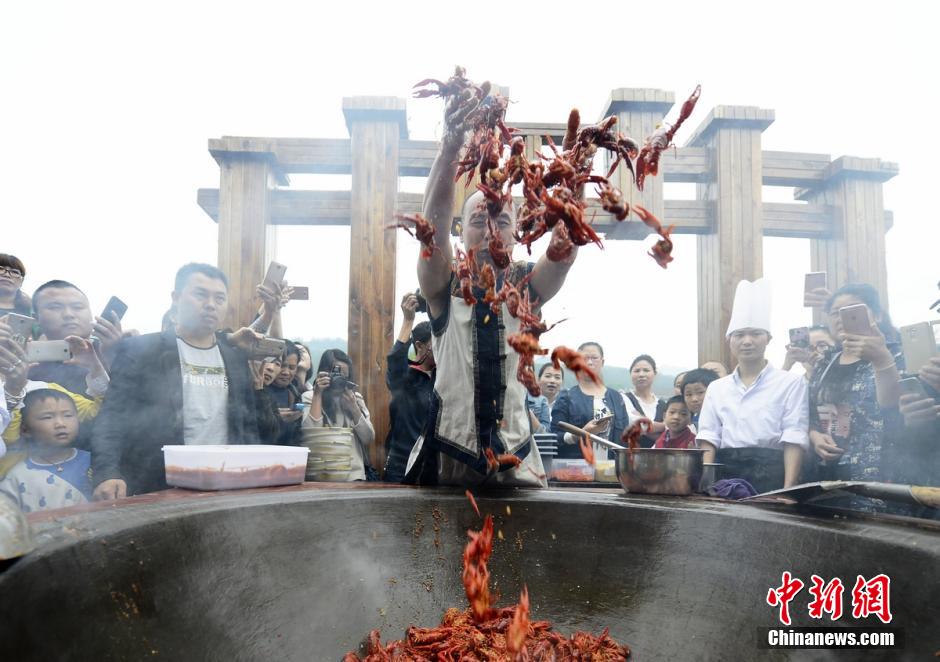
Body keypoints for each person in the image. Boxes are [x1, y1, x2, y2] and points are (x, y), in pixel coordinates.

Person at [404, 96, 582, 488]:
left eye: (501, 222)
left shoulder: (527, 285)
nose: (489, 231)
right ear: (460, 231)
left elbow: (563, 253)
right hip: (449, 454)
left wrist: (575, 179)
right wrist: (451, 146)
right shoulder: (444, 282)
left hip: (516, 455)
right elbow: (430, 230)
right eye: (478, 220)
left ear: (517, 233)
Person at [91, 263, 265, 499]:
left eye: (220, 298)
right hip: (158, 482)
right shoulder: (141, 350)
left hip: (225, 482)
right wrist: (107, 472)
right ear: (176, 298)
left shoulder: (234, 358)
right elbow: (113, 416)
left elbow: (247, 424)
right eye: (201, 294)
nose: (211, 304)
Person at [696, 279, 809, 491]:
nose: (747, 341)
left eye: (756, 333)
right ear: (729, 340)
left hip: (773, 475)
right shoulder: (717, 388)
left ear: (768, 338)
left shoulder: (791, 383)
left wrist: (788, 490)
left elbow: (794, 435)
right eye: (739, 335)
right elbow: (709, 436)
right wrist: (706, 485)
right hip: (725, 477)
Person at [805, 284, 902, 485]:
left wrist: (882, 359)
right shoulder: (825, 363)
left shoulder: (897, 355)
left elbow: (898, 408)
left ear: (877, 315)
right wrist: (815, 437)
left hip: (881, 473)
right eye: (835, 313)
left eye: (852, 310)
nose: (841, 318)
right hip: (828, 474)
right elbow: (811, 414)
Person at [0, 389, 91, 512]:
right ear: (25, 430)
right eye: (47, 417)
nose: (60, 424)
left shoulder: (95, 463)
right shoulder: (17, 476)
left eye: (68, 415)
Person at [28, 280, 125, 394]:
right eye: (55, 307)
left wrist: (117, 357)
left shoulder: (118, 352)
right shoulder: (26, 362)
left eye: (78, 307)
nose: (69, 314)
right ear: (36, 318)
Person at [384, 293, 436, 483]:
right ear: (419, 346)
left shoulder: (442, 379)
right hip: (401, 468)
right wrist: (408, 320)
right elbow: (395, 359)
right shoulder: (406, 378)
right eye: (435, 342)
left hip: (431, 469)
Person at [303, 349, 375, 481]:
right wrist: (318, 395)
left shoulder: (355, 399)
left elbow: (368, 438)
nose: (339, 380)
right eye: (336, 374)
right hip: (321, 477)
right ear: (324, 373)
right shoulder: (310, 397)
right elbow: (311, 434)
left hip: (354, 476)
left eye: (344, 376)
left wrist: (354, 408)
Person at [551, 342, 628, 460]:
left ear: (602, 362)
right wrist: (580, 433)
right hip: (577, 468)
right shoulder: (566, 398)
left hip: (612, 467)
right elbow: (554, 438)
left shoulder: (617, 398)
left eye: (594, 358)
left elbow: (626, 438)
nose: (589, 363)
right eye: (584, 359)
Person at [621, 354, 666, 447]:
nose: (641, 374)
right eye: (637, 371)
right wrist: (664, 426)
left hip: (658, 455)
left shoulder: (662, 405)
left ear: (655, 374)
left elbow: (672, 432)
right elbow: (633, 424)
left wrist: (642, 421)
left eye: (646, 370)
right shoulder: (623, 399)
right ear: (631, 374)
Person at [265, 340, 303, 444]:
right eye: (281, 366)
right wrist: (274, 419)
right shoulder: (259, 392)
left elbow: (297, 435)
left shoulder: (295, 394)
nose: (286, 372)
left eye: (292, 367)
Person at [680, 367, 719, 433]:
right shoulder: (689, 424)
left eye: (700, 392)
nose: (694, 399)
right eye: (689, 394)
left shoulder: (724, 419)